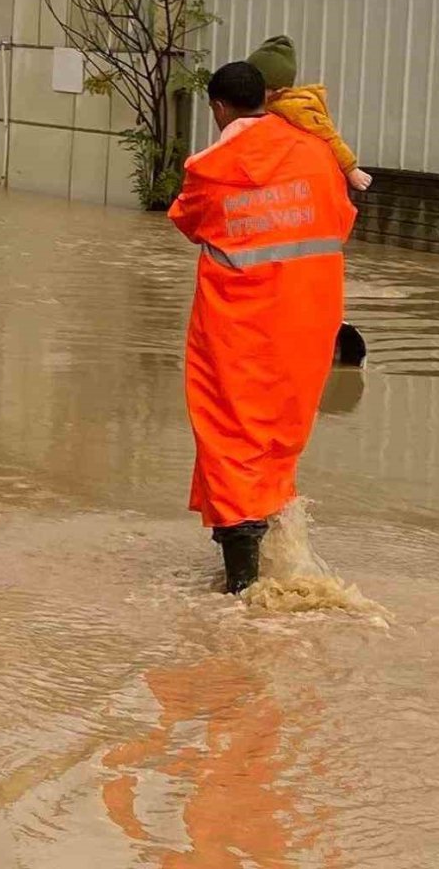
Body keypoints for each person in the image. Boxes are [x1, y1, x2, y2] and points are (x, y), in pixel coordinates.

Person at [168, 61, 356, 594]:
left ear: (219, 108)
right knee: (280, 434)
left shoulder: (212, 166)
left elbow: (187, 220)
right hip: (307, 321)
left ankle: (243, 588)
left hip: (237, 327)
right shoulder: (318, 153)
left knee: (229, 434)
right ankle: (276, 561)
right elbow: (341, 219)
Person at [247, 35, 373, 192]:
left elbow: (330, 136)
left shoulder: (296, 108)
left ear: (270, 87)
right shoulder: (272, 104)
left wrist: (351, 169)